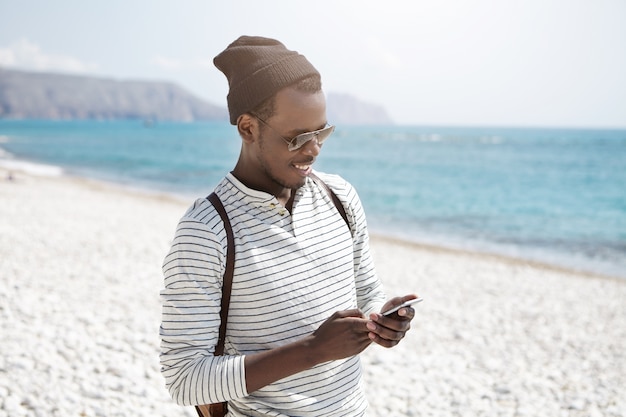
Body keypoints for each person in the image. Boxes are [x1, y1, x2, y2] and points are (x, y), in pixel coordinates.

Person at [160, 35, 418, 416]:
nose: (313, 149)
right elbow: (184, 379)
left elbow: (366, 296)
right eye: (297, 138)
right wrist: (313, 349)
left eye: (321, 132)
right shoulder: (206, 231)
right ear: (248, 128)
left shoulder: (340, 197)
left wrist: (384, 322)